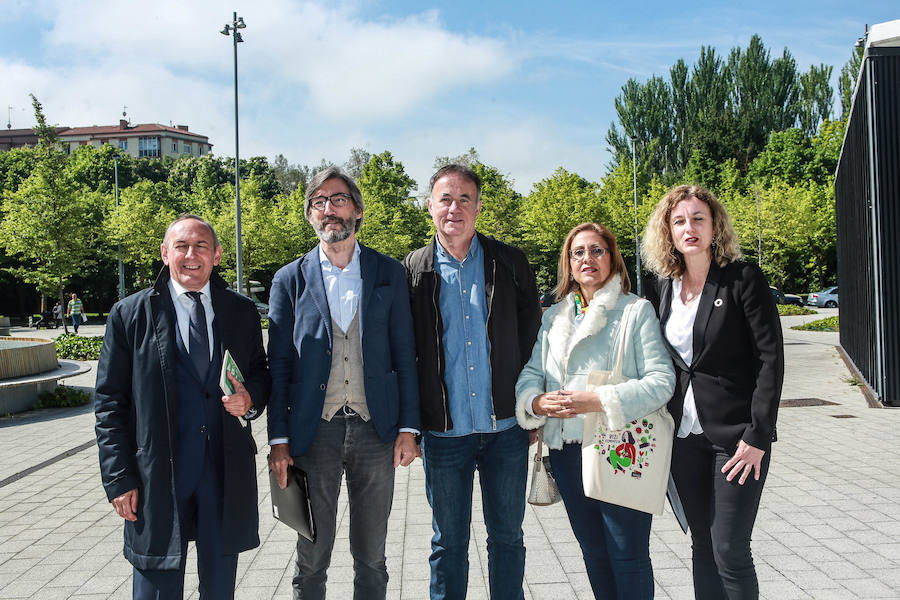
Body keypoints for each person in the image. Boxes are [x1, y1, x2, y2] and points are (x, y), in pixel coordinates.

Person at [94, 214, 270, 599]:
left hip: (222, 471)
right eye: (182, 246)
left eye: (201, 246)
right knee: (156, 588)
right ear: (165, 253)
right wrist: (119, 478)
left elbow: (260, 372)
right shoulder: (130, 314)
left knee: (220, 586)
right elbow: (109, 405)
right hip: (157, 474)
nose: (192, 255)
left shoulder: (240, 312)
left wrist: (251, 398)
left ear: (218, 255)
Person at [267, 166, 420, 600]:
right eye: (319, 202)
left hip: (376, 431)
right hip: (314, 433)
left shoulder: (389, 273)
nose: (328, 209)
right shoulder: (289, 279)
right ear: (310, 215)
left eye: (338, 200)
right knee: (311, 555)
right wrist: (279, 439)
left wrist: (409, 428)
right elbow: (278, 365)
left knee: (371, 555)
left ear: (357, 210)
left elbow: (405, 357)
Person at [515, 222, 674, 600]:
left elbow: (661, 381)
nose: (588, 259)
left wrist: (599, 400)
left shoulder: (636, 311)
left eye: (597, 250)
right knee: (594, 553)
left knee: (628, 556)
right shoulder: (554, 317)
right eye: (578, 252)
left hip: (619, 446)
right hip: (568, 451)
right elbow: (532, 373)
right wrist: (535, 402)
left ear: (612, 258)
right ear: (568, 265)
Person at [404, 164, 542, 600]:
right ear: (430, 207)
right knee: (447, 543)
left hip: (506, 431)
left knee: (507, 538)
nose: (455, 207)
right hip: (444, 435)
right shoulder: (412, 270)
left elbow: (533, 343)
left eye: (465, 199)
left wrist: (533, 408)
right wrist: (409, 426)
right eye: (445, 198)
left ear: (479, 208)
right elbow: (404, 357)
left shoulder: (511, 263)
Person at [641, 184, 784, 599]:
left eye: (698, 219)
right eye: (679, 220)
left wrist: (758, 435)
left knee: (730, 549)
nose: (690, 228)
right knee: (702, 546)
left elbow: (770, 361)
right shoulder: (663, 286)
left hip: (736, 438)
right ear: (668, 230)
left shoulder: (742, 279)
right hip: (683, 438)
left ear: (714, 225)